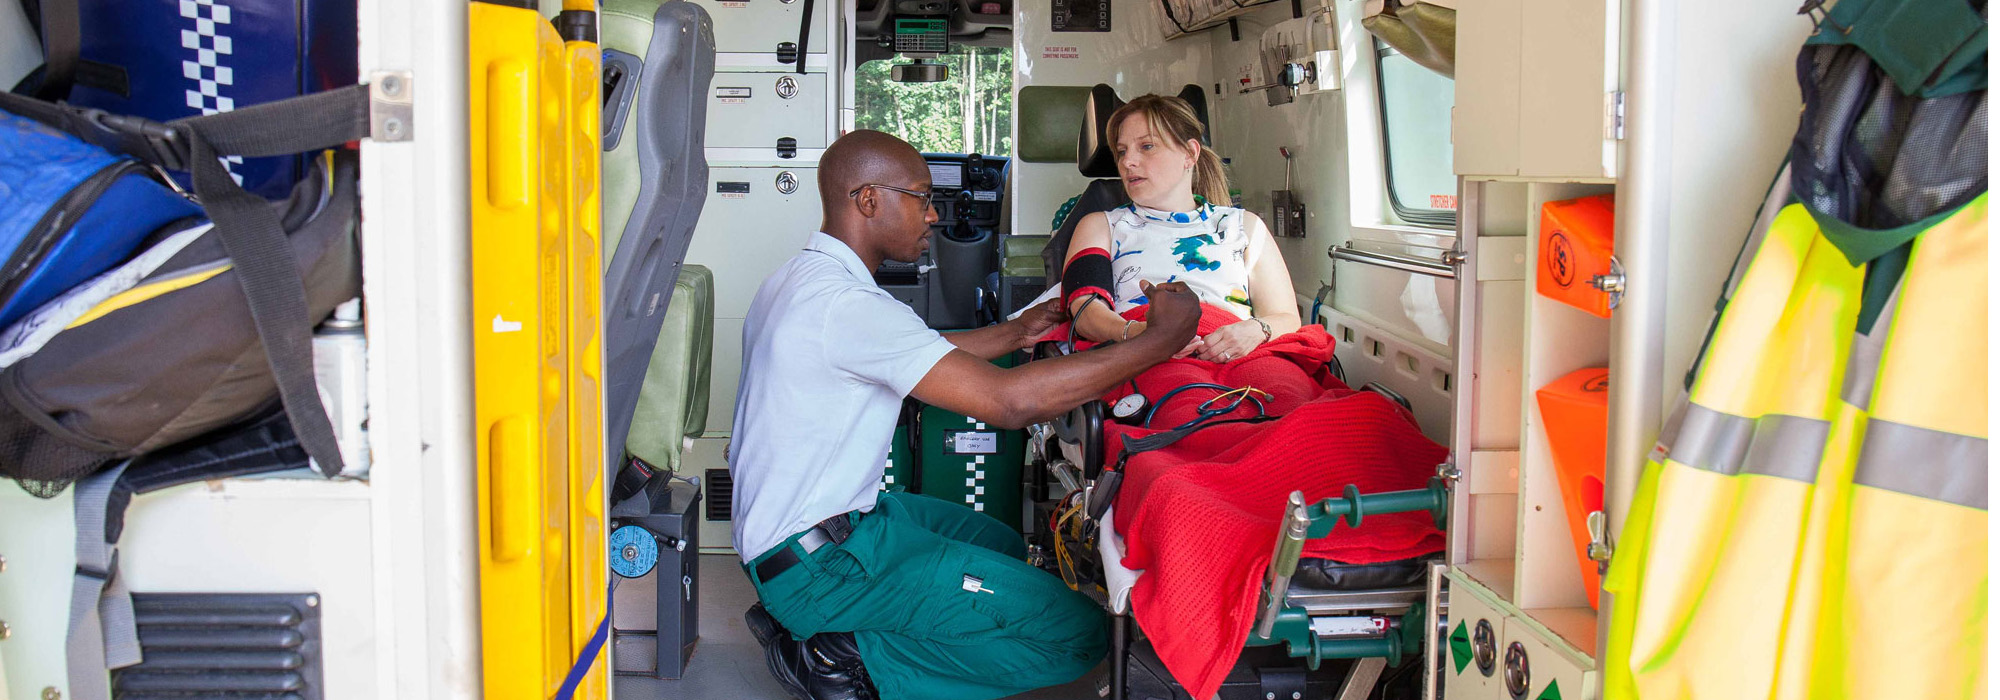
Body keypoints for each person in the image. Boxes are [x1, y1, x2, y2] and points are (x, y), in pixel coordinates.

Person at [729, 129, 1203, 700]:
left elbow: (916, 349)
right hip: (823, 566)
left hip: (822, 530)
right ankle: (842, 658)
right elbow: (1011, 402)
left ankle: (852, 623)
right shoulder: (845, 305)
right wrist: (1158, 341)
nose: (932, 215)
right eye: (920, 196)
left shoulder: (801, 280)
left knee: (997, 544)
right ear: (868, 199)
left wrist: (1017, 330)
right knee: (1077, 636)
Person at [1061, 94, 1303, 362]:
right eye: (1121, 151)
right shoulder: (1101, 226)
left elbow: (1287, 317)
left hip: (1241, 353)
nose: (1128, 162)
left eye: (1147, 146)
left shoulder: (1244, 226)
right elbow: (1084, 310)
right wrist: (1142, 335)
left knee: (1290, 395)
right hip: (1146, 354)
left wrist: (1256, 330)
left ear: (1189, 154)